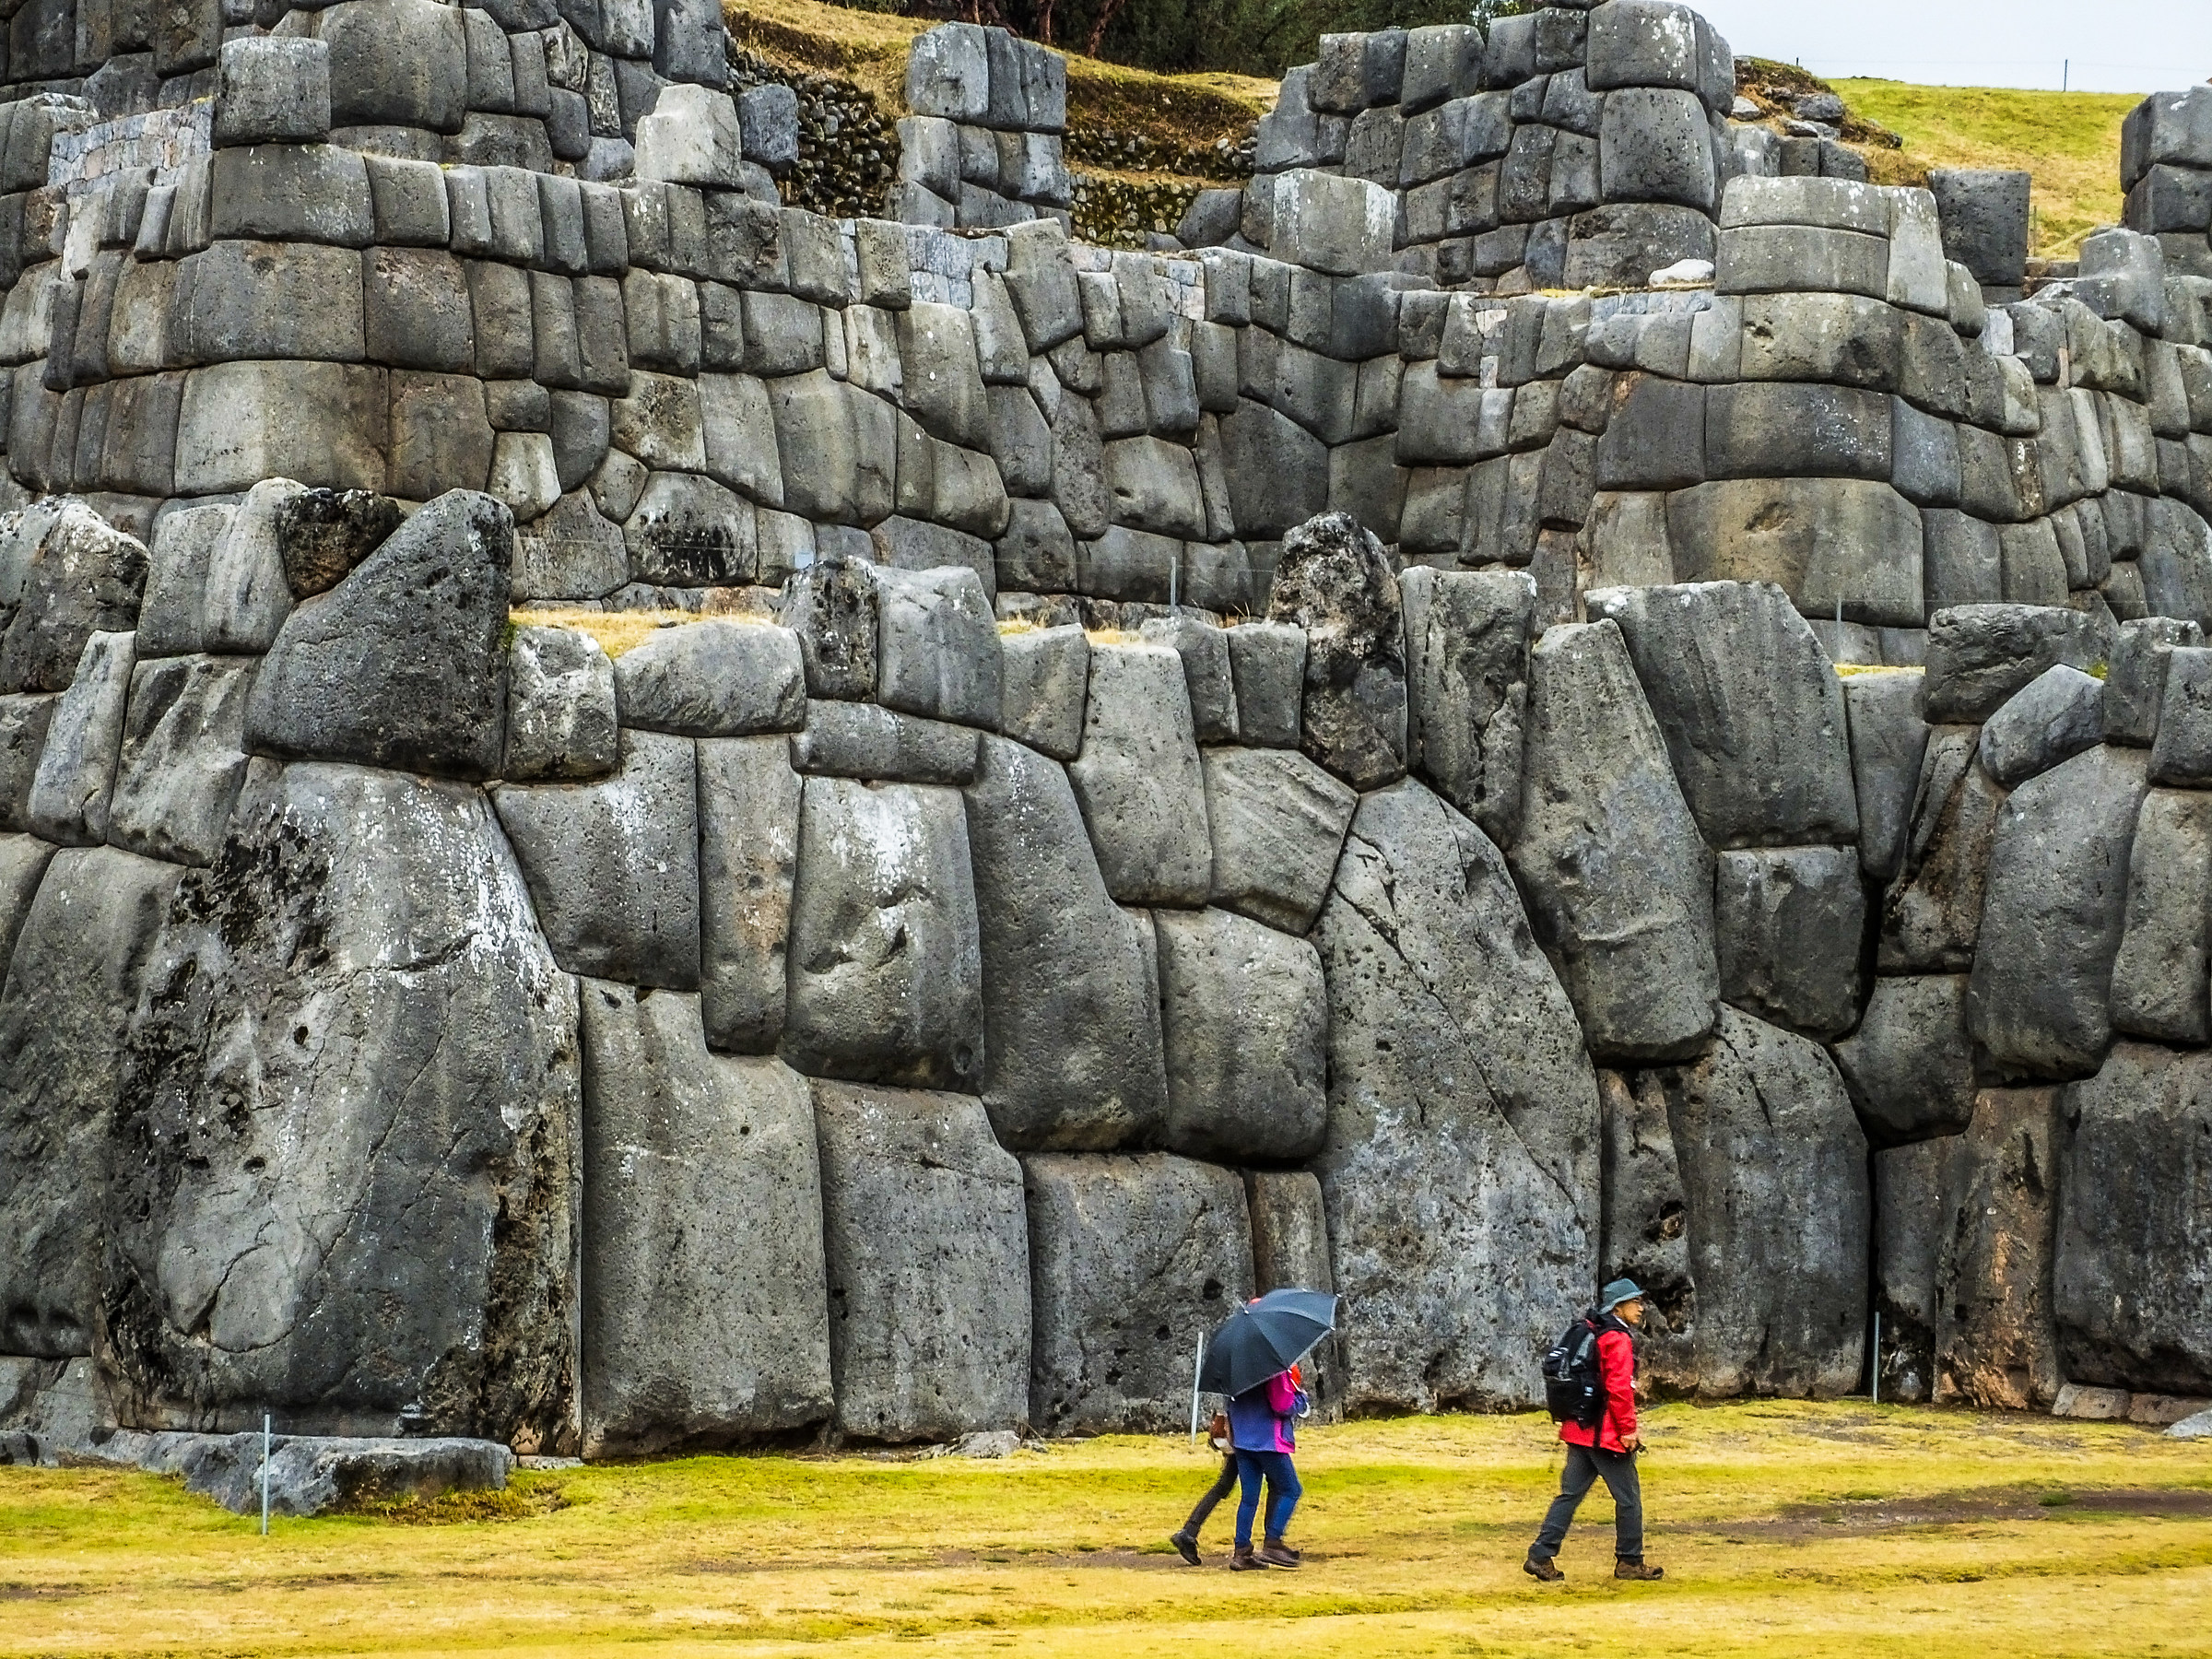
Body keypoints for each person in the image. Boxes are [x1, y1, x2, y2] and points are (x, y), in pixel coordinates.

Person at [1524, 1278, 1665, 1583]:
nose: (1641, 1307)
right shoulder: (1617, 1339)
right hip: (1605, 1435)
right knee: (1629, 1498)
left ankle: (1541, 1555)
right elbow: (1619, 1389)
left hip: (1578, 1429)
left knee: (1569, 1496)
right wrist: (1628, 1430)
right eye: (1634, 1302)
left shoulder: (1590, 1330)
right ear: (1618, 1307)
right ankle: (1630, 1560)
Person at [1227, 1363, 1306, 1571]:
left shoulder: (1235, 1368)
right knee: (1291, 1489)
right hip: (1268, 1440)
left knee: (1249, 1498)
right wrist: (1300, 1398)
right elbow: (1282, 1404)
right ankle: (1273, 1541)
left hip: (1242, 1439)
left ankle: (1241, 1552)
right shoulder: (1272, 1367)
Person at [1169, 1411, 1238, 1565]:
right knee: (1272, 1487)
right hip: (1247, 1435)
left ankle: (1189, 1531)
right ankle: (1254, 1546)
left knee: (1223, 1486)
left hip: (1239, 1432)